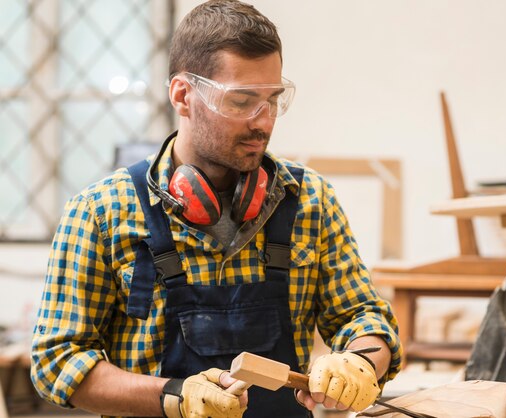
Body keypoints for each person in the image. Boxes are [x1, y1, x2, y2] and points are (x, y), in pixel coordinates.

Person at [30, 1, 402, 417]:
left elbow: (364, 316)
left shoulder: (309, 201)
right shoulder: (100, 212)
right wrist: (175, 397)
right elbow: (58, 362)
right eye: (242, 101)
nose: (264, 122)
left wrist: (361, 361)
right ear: (183, 95)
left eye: (273, 99)